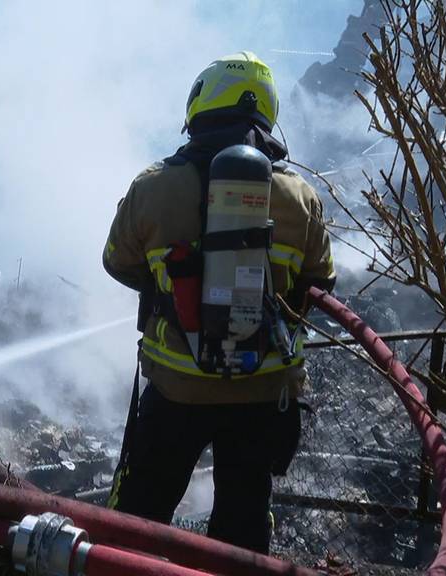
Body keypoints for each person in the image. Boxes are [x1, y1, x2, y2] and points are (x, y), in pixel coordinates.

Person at [102, 51, 336, 554]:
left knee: (139, 517)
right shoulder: (300, 198)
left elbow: (117, 262)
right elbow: (321, 281)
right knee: (243, 526)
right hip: (263, 392)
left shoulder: (154, 187)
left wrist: (173, 288)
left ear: (201, 102)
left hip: (176, 386)